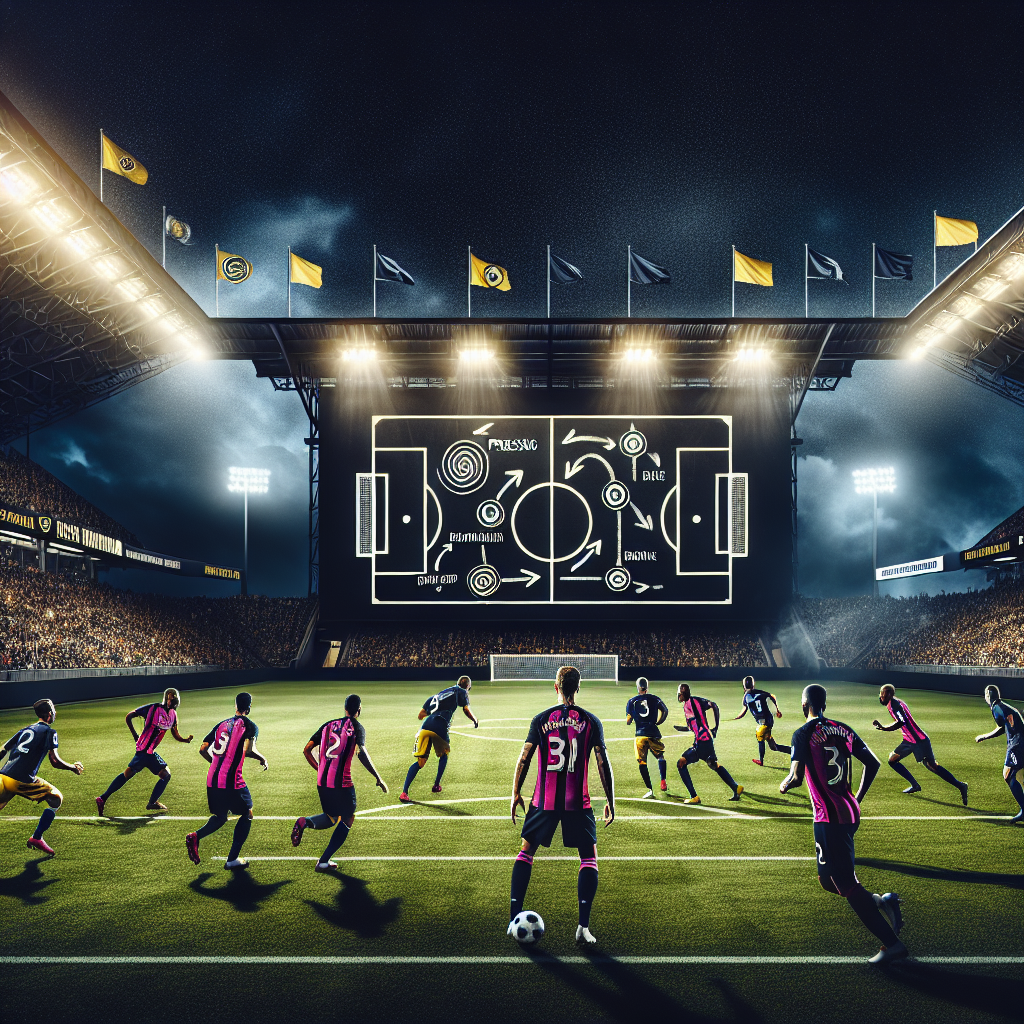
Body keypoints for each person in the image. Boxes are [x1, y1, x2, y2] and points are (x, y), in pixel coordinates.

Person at [780, 684, 907, 965]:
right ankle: (881, 902)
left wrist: (784, 784)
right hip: (848, 811)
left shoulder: (802, 733)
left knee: (846, 884)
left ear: (804, 706)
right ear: (824, 703)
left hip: (829, 817)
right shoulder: (843, 728)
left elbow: (797, 776)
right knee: (827, 880)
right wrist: (857, 797)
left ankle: (892, 945)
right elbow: (873, 764)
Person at [509, 666, 615, 945]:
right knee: (588, 857)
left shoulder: (541, 719)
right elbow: (603, 763)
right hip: (577, 802)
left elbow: (524, 758)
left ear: (555, 687)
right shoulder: (591, 721)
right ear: (578, 688)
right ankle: (583, 927)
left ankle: (513, 918)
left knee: (526, 852)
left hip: (543, 799)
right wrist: (611, 801)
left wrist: (515, 793)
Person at [291, 693, 388, 871]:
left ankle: (305, 822)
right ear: (359, 710)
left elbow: (307, 750)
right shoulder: (357, 728)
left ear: (345, 709)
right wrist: (378, 778)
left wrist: (320, 768)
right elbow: (361, 753)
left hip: (322, 781)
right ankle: (323, 861)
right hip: (342, 783)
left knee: (331, 817)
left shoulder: (327, 725)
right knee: (348, 818)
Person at [186, 692, 268, 870]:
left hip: (212, 778)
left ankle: (195, 836)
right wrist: (262, 758)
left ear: (236, 705)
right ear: (249, 707)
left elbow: (203, 749)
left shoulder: (221, 724)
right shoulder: (249, 726)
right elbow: (248, 750)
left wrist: (217, 763)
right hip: (231, 781)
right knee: (247, 813)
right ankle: (232, 859)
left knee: (221, 817)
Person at [0, 698, 84, 856]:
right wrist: (72, 767)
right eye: (54, 710)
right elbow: (54, 760)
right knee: (56, 798)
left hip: (4, 777)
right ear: (49, 714)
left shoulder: (25, 730)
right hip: (22, 780)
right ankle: (36, 837)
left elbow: (3, 750)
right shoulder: (50, 732)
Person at [96, 688, 194, 814]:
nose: (174, 701)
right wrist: (135, 735)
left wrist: (185, 740)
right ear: (166, 699)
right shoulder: (153, 708)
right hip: (144, 751)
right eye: (171, 699)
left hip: (149, 752)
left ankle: (102, 798)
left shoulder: (173, 715)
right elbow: (129, 716)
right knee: (165, 775)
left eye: (175, 699)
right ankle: (150, 802)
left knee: (130, 774)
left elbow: (174, 733)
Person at [872, 684, 967, 804]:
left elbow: (901, 722)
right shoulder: (896, 702)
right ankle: (915, 785)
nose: (880, 696)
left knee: (932, 766)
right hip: (909, 740)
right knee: (892, 760)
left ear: (889, 694)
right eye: (880, 693)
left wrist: (884, 728)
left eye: (883, 694)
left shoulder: (895, 705)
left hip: (918, 741)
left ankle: (960, 786)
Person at [399, 675, 478, 802]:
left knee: (420, 762)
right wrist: (475, 720)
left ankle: (404, 792)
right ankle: (436, 785)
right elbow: (466, 709)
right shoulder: (461, 690)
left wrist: (434, 712)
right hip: (440, 726)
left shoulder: (437, 695)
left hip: (425, 727)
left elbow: (420, 715)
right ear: (467, 686)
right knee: (444, 754)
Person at [673, 683, 742, 803]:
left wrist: (713, 728)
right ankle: (736, 787)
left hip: (701, 742)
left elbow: (709, 711)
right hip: (707, 740)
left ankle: (693, 796)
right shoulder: (694, 701)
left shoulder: (691, 703)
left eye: (679, 694)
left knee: (681, 763)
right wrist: (684, 728)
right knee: (713, 764)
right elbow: (705, 713)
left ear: (682, 694)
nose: (679, 696)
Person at [975, 684, 1024, 824]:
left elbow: (1005, 724)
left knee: (1008, 774)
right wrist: (985, 736)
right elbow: (1004, 726)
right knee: (1018, 776)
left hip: (1017, 745)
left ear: (988, 696)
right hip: (1018, 743)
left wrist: (984, 736)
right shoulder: (1001, 706)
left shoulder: (996, 708)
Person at [625, 676, 668, 797]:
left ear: (638, 688)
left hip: (640, 735)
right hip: (653, 732)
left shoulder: (632, 701)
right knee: (660, 756)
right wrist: (659, 722)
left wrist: (630, 718)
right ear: (647, 688)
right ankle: (663, 780)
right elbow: (665, 710)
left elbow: (628, 720)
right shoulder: (655, 698)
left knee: (642, 762)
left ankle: (650, 790)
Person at [733, 675, 788, 766]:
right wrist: (777, 710)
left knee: (759, 735)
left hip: (765, 722)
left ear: (744, 686)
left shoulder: (746, 697)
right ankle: (793, 751)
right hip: (768, 720)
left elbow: (744, 709)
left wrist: (739, 716)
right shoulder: (759, 693)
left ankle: (761, 760)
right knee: (773, 746)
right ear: (753, 685)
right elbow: (772, 696)